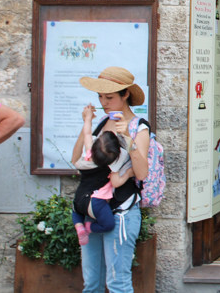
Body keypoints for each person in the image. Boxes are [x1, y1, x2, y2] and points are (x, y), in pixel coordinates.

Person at [72, 66, 150, 293]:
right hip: (93, 210)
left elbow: (142, 172)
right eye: (100, 97)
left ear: (125, 95)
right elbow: (76, 159)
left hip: (121, 212)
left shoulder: (139, 126)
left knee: (118, 283)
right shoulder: (100, 123)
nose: (103, 102)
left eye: (109, 97)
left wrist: (127, 137)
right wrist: (86, 125)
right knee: (92, 283)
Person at [72, 126, 134, 246]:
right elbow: (116, 182)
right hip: (96, 202)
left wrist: (88, 118)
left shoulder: (88, 155)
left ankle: (78, 226)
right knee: (108, 225)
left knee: (76, 211)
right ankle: (89, 227)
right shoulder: (113, 164)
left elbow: (87, 134)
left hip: (79, 197)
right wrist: (127, 174)